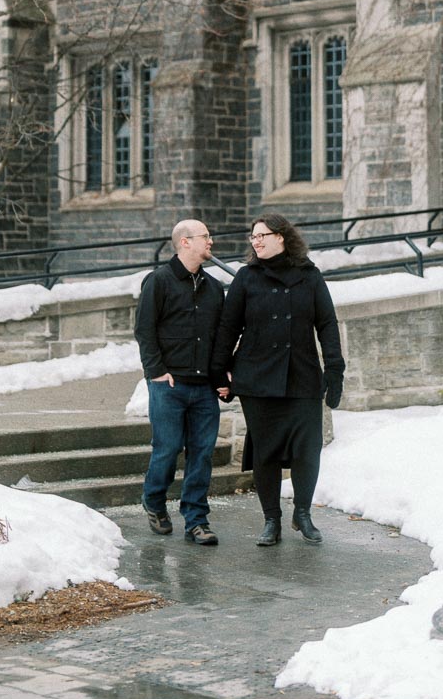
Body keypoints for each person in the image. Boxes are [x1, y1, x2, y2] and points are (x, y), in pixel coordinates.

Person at [211, 212, 344, 547]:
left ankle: (302, 513)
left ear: (282, 236)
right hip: (257, 377)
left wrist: (334, 369)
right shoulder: (246, 277)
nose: (256, 242)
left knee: (307, 450)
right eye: (253, 237)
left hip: (302, 375)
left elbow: (326, 323)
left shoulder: (309, 276)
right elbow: (229, 326)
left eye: (262, 236)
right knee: (266, 452)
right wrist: (220, 369)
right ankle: (272, 519)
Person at [134, 218, 225, 546]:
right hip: (168, 385)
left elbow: (220, 338)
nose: (210, 242)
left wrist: (221, 376)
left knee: (202, 453)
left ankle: (196, 520)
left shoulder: (215, 287)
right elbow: (144, 330)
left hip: (204, 388)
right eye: (205, 236)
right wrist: (156, 371)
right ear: (185, 242)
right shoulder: (158, 281)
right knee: (168, 449)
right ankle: (154, 501)